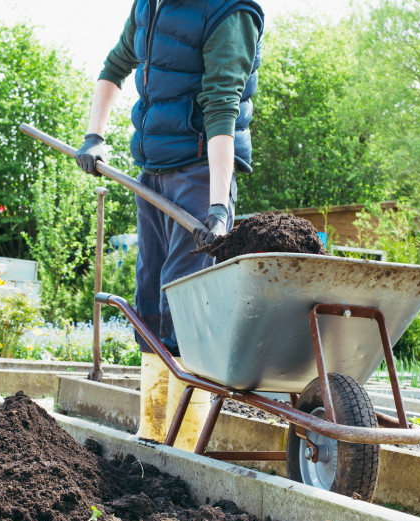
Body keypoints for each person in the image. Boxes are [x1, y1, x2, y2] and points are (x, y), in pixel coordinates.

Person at [75, 0, 264, 450]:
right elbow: (116, 64)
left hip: (201, 173)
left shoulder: (227, 11)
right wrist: (95, 136)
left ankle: (186, 445)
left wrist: (218, 207)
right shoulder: (149, 5)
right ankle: (153, 431)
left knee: (186, 303)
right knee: (150, 303)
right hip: (154, 172)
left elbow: (223, 104)